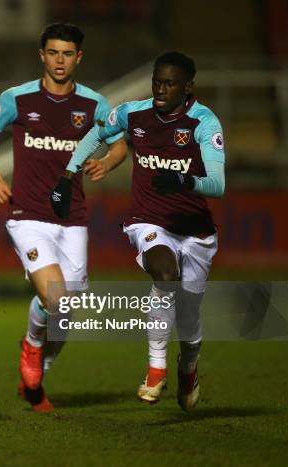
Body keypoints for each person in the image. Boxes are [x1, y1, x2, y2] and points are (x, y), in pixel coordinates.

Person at [50, 51, 225, 411]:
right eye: (157, 81)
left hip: (195, 232)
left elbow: (218, 184)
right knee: (164, 273)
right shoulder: (133, 113)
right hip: (148, 221)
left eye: (170, 83)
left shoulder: (204, 122)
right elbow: (95, 134)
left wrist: (182, 179)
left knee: (189, 316)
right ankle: (156, 367)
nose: (160, 89)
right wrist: (69, 174)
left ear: (187, 87)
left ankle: (188, 368)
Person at [0, 23, 127, 412]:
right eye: (53, 52)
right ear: (42, 55)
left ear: (79, 57)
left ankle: (36, 372)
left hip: (72, 218)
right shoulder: (18, 98)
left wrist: (107, 162)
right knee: (55, 298)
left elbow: (120, 144)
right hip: (27, 215)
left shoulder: (94, 104)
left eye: (67, 53)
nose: (60, 60)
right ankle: (30, 349)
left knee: (66, 311)